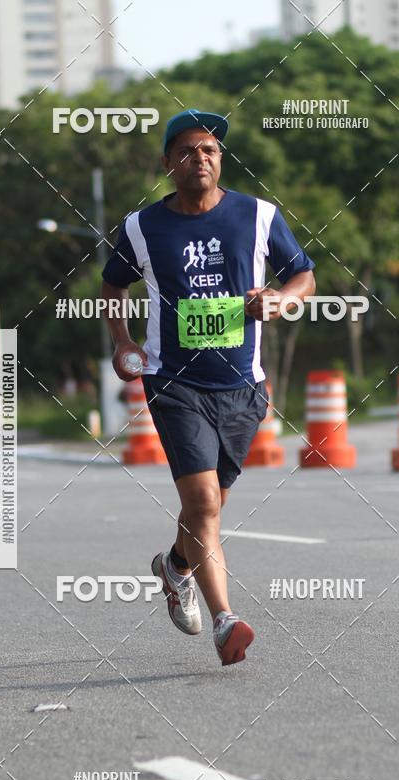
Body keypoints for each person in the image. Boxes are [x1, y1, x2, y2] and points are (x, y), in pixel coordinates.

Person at [101, 108, 316, 666]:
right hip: (173, 381)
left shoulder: (258, 215)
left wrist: (281, 299)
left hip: (243, 384)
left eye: (211, 150)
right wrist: (122, 343)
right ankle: (226, 621)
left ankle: (174, 567)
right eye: (189, 150)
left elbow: (304, 275)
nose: (201, 158)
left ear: (221, 161)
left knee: (210, 505)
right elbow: (112, 286)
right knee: (201, 502)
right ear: (168, 162)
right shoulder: (141, 227)